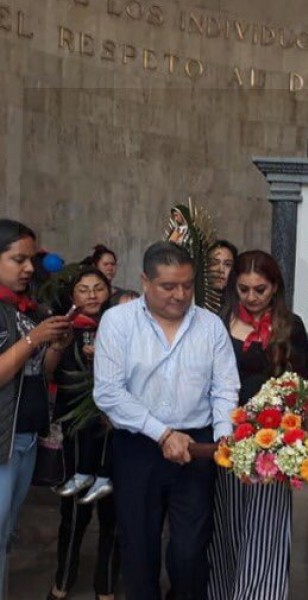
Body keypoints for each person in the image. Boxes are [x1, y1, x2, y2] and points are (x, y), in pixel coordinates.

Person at [93, 241, 240, 600]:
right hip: (139, 446)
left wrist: (223, 435)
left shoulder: (210, 327)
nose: (179, 295)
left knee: (191, 550)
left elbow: (224, 388)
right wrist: (162, 434)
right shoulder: (118, 322)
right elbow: (109, 392)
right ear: (145, 281)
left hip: (197, 447)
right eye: (168, 286)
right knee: (139, 547)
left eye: (187, 286)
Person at [207, 250, 308, 600]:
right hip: (227, 437)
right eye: (244, 289)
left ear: (275, 287)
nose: (251, 298)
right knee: (229, 522)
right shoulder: (219, 323)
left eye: (260, 290)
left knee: (266, 526)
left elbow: (303, 386)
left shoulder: (290, 326)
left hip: (273, 442)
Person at [0, 219, 72, 599]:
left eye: (31, 260)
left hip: (25, 435)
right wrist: (32, 339)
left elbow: (40, 373)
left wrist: (57, 343)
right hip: (2, 440)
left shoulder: (28, 307)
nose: (30, 268)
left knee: (6, 535)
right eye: (18, 259)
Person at [45, 267, 119, 600]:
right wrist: (61, 346)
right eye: (83, 289)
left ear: (109, 291)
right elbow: (47, 373)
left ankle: (106, 587)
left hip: (115, 433)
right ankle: (62, 582)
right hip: (77, 433)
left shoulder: (124, 330)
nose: (91, 295)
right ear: (73, 297)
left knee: (113, 513)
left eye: (98, 288)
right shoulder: (64, 329)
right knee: (74, 511)